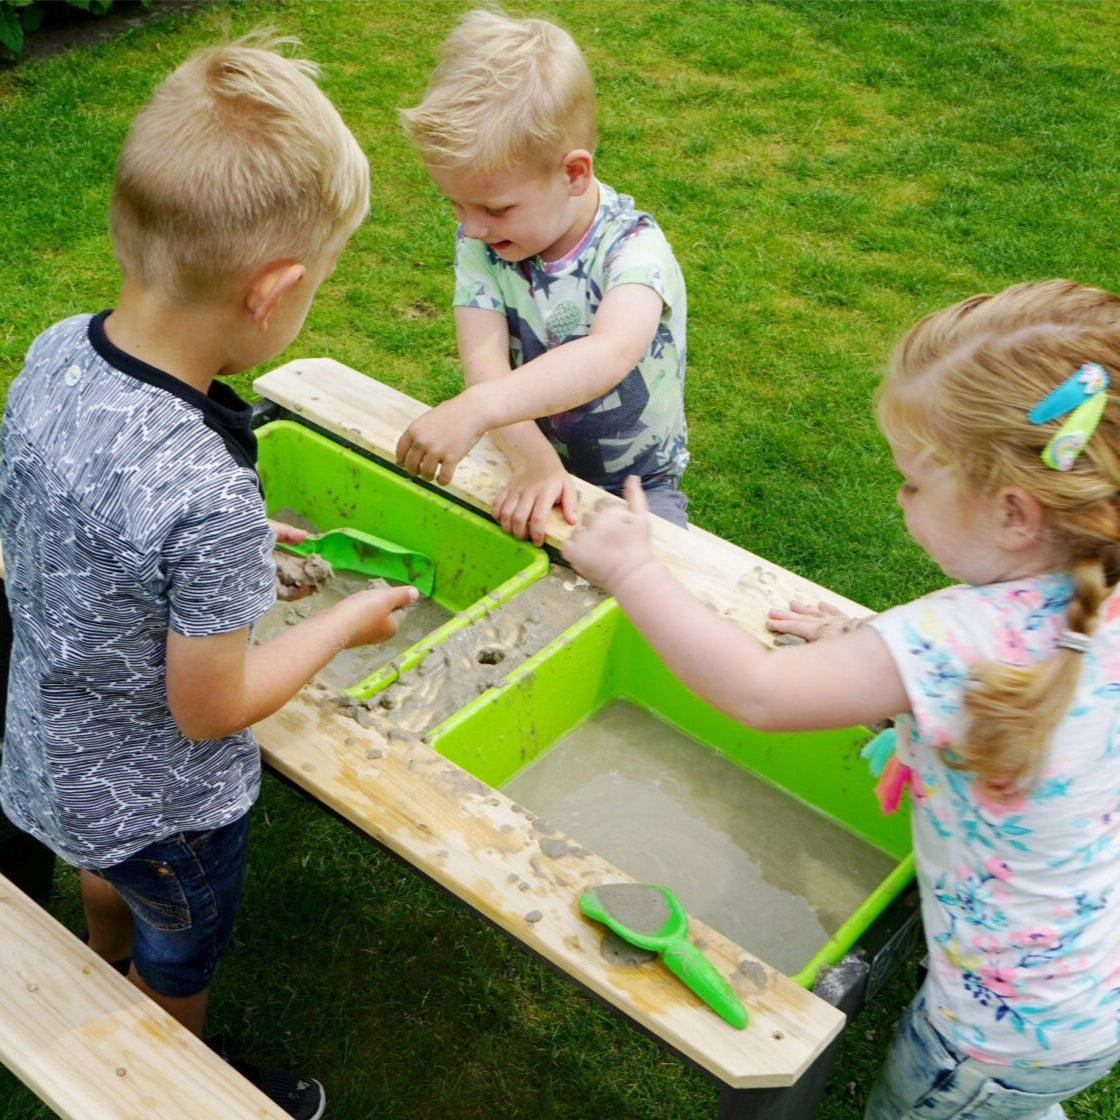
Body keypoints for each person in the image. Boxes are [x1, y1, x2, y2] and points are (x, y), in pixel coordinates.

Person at [562, 279, 1120, 1119]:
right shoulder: (1094, 599)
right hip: (1089, 992)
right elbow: (1002, 681)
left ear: (1014, 513)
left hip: (982, 1033)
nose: (898, 501)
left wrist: (633, 571)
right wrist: (867, 655)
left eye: (913, 485)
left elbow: (757, 691)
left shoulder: (953, 641)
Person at [0, 35, 416, 1120]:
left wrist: (223, 567)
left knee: (105, 876)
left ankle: (102, 966)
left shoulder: (52, 351)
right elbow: (211, 705)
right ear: (273, 291)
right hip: (169, 810)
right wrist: (342, 624)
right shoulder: (209, 496)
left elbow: (74, 528)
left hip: (54, 757)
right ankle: (165, 1072)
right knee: (176, 957)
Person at [395, 8, 689, 545]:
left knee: (647, 599)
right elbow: (483, 363)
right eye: (455, 204)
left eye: (496, 207)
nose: (473, 226)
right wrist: (534, 462)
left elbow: (608, 355)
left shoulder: (633, 251)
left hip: (637, 484)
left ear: (573, 173)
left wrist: (480, 409)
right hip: (523, 452)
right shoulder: (483, 241)